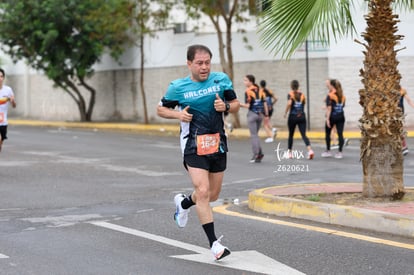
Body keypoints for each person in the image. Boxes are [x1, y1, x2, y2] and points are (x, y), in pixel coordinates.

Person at [156, 44, 240, 261]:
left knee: (212, 195)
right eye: (199, 63)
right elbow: (160, 109)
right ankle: (214, 245)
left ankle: (183, 203)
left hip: (217, 143)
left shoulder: (221, 80)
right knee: (202, 190)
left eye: (207, 63)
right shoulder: (178, 87)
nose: (204, 67)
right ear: (189, 63)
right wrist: (178, 116)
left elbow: (235, 103)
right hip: (192, 145)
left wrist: (227, 108)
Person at [240, 74, 269, 163]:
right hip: (260, 115)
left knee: (253, 135)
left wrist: (239, 104)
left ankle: (256, 154)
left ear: (250, 81)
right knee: (255, 134)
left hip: (252, 114)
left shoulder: (248, 91)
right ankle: (259, 152)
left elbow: (248, 105)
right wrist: (266, 116)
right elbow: (265, 104)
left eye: (245, 80)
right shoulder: (261, 91)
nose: (244, 82)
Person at [283, 80, 314, 159]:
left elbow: (289, 103)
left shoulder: (290, 94)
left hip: (293, 117)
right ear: (298, 86)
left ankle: (290, 153)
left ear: (291, 86)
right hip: (302, 116)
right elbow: (304, 104)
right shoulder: (302, 95)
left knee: (291, 135)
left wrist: (285, 112)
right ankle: (310, 150)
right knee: (303, 135)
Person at [321, 79, 346, 159]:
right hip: (341, 116)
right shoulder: (343, 96)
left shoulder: (330, 95)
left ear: (332, 85)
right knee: (340, 134)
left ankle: (328, 151)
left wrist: (328, 119)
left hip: (332, 117)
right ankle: (340, 152)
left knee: (327, 134)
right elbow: (343, 106)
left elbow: (329, 108)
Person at [0, 68, 17, 153]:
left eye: (1, 76)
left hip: (3, 122)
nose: (0, 78)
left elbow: (14, 106)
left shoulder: (8, 90)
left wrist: (13, 101)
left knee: (0, 143)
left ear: (3, 78)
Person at [399, 85, 414, 155]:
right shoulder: (389, 91)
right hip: (391, 113)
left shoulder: (402, 91)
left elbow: (409, 100)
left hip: (400, 113)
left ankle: (404, 147)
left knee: (400, 130)